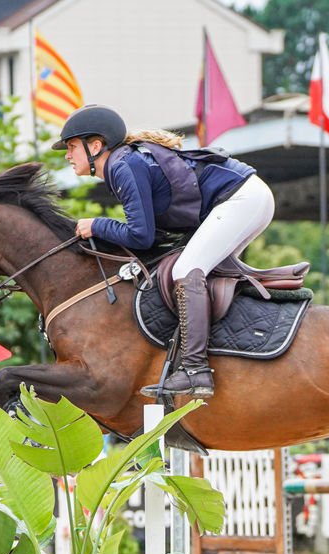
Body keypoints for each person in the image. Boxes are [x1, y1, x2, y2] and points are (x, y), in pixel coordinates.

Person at [55, 104, 275, 399]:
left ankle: (196, 370)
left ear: (95, 145)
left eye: (71, 147)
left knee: (187, 271)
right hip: (244, 198)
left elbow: (140, 236)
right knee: (199, 271)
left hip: (240, 199)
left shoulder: (123, 166)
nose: (68, 155)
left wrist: (97, 226)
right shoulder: (125, 163)